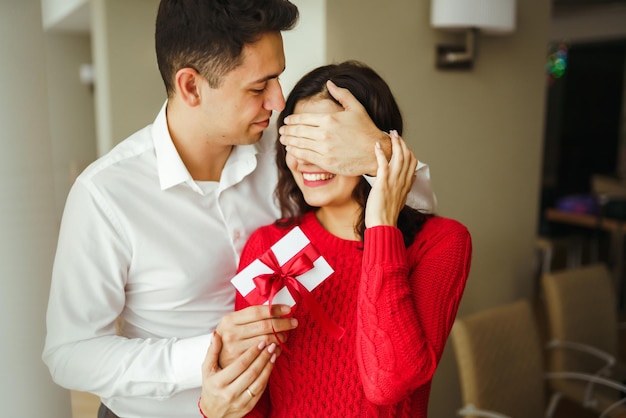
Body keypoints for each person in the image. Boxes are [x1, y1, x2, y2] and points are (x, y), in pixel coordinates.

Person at [42, 2, 437, 418]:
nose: (278, 100)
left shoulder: (290, 150)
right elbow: (71, 353)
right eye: (258, 87)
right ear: (191, 87)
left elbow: (416, 217)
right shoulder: (105, 194)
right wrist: (209, 352)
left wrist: (378, 153)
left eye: (279, 78)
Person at [234, 61, 472, 418]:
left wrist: (381, 225)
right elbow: (253, 397)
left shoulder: (441, 242)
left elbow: (387, 382)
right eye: (299, 141)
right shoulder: (270, 246)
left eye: (325, 141)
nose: (308, 159)